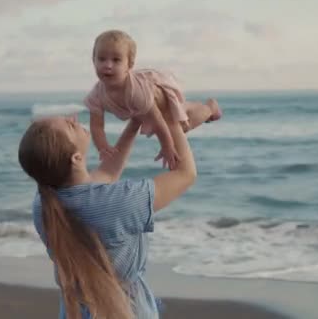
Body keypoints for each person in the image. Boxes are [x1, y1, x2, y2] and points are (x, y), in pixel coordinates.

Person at [18, 99, 218, 317]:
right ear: (76, 158)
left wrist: (133, 125)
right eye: (70, 125)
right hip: (123, 309)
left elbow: (107, 175)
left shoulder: (45, 204)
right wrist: (172, 123)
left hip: (77, 308)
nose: (73, 118)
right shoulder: (120, 202)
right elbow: (185, 174)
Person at [84, 29, 222, 170]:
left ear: (129, 65)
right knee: (177, 124)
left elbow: (157, 120)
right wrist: (102, 146)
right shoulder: (96, 95)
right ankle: (192, 107)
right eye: (101, 59)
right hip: (147, 109)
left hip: (161, 98)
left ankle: (210, 108)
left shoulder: (135, 91)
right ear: (93, 60)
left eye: (116, 60)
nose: (108, 65)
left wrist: (167, 146)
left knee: (182, 126)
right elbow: (97, 126)